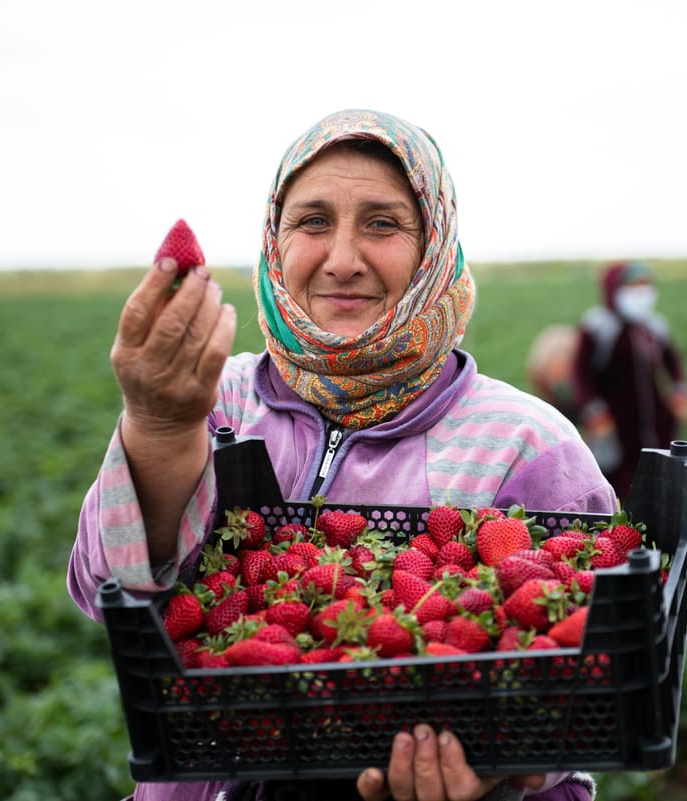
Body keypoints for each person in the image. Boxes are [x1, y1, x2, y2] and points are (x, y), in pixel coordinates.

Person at [67, 109, 617, 801]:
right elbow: (107, 590)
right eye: (313, 221)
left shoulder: (526, 444)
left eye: (383, 223)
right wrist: (159, 424)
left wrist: (507, 767)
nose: (344, 258)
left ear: (434, 248)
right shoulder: (215, 396)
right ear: (275, 238)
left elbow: (582, 708)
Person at [570, 261, 687, 500]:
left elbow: (673, 363)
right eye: (632, 287)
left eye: (645, 286)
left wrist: (679, 392)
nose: (641, 294)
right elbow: (581, 373)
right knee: (618, 482)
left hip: (656, 420)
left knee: (659, 481)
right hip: (615, 423)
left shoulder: (654, 326)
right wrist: (594, 411)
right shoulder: (598, 326)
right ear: (614, 290)